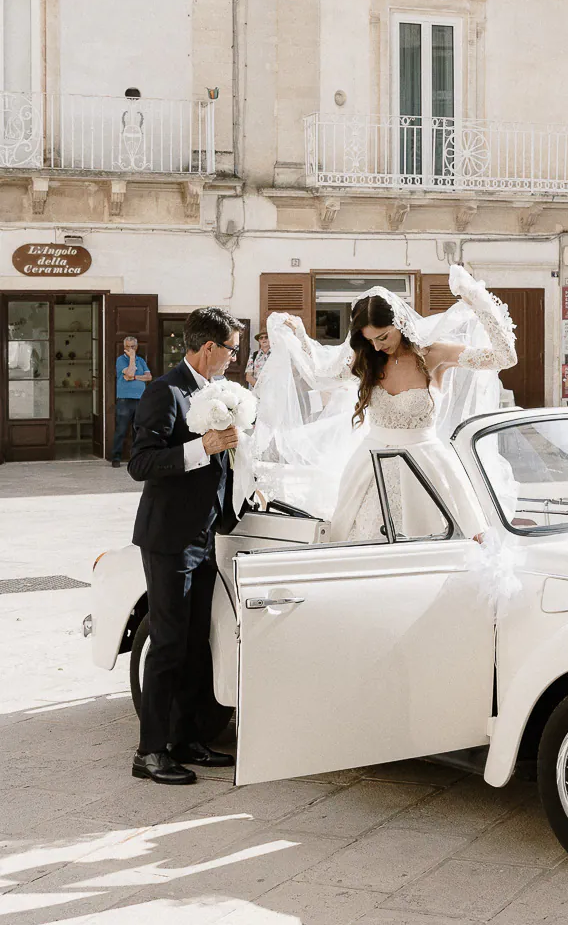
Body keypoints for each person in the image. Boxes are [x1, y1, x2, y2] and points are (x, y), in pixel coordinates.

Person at [243, 265, 517, 538]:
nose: (377, 346)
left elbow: (505, 358)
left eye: (383, 337)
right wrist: (302, 338)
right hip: (369, 467)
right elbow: (321, 375)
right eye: (370, 340)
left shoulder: (434, 355)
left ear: (400, 323)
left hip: (426, 466)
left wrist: (479, 301)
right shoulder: (367, 359)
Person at [127, 307, 242, 786]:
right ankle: (150, 752)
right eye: (231, 349)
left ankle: (185, 739)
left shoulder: (220, 391)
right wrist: (202, 448)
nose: (235, 358)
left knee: (197, 643)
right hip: (169, 538)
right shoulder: (165, 390)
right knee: (168, 644)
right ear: (209, 347)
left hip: (206, 534)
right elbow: (140, 463)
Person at [111, 335, 152, 466]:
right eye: (128, 347)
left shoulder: (141, 360)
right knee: (121, 430)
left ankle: (136, 457)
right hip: (124, 400)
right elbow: (128, 373)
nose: (130, 349)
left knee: (138, 430)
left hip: (140, 399)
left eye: (133, 347)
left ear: (137, 346)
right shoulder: (120, 360)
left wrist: (134, 377)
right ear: (124, 347)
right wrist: (132, 359)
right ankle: (116, 457)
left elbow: (148, 377)